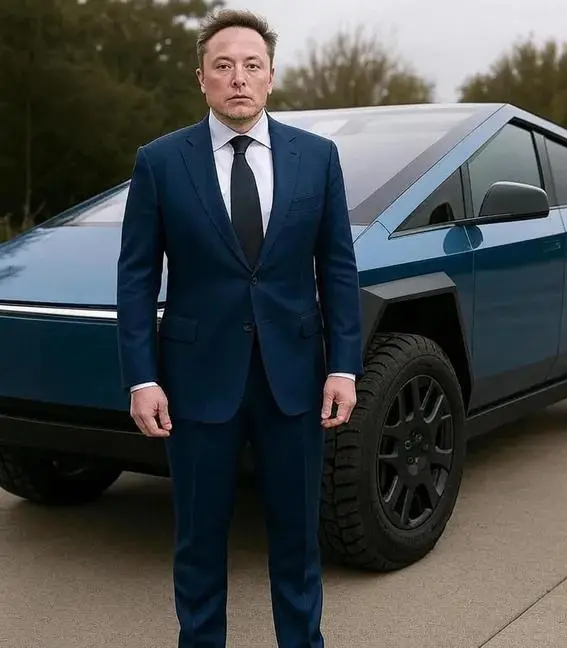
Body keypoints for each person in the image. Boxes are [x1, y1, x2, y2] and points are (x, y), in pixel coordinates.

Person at [116, 8, 363, 648]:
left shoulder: (318, 158)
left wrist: (344, 367)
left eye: (252, 65)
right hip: (196, 384)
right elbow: (136, 279)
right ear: (201, 77)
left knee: (297, 540)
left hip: (296, 381)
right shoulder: (160, 162)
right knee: (199, 542)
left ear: (271, 76)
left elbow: (338, 269)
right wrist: (142, 378)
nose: (238, 78)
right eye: (223, 65)